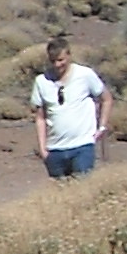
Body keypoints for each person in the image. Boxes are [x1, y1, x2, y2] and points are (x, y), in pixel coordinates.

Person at [32, 38, 110, 179]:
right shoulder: (41, 81)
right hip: (55, 150)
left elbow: (106, 98)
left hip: (82, 146)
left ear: (69, 55)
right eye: (53, 61)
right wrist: (43, 149)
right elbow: (40, 117)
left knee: (82, 186)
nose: (57, 65)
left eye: (61, 60)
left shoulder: (85, 75)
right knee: (59, 189)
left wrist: (102, 127)